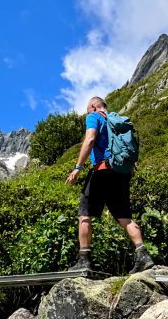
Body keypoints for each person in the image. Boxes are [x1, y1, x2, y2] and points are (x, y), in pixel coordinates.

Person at [66, 96, 154, 273]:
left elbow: (90, 139)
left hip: (102, 170)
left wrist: (78, 167)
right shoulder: (116, 120)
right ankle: (143, 256)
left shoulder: (94, 116)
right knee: (124, 216)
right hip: (121, 172)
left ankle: (84, 260)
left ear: (93, 106)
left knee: (84, 214)